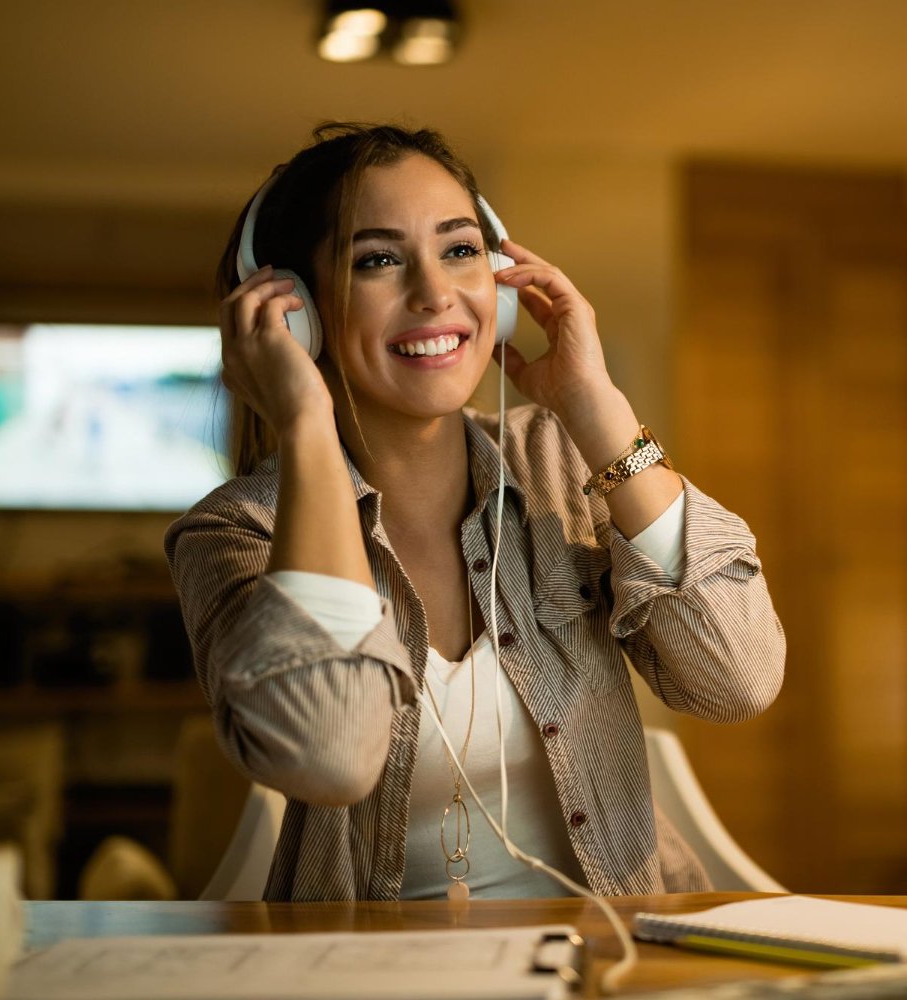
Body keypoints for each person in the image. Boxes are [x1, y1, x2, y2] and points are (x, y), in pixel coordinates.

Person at [164, 122, 785, 902]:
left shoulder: (559, 459)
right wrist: (305, 426)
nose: (435, 294)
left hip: (618, 957)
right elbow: (330, 754)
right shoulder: (235, 533)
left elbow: (737, 678)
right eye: (377, 260)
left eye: (459, 250)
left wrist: (594, 409)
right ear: (295, 315)